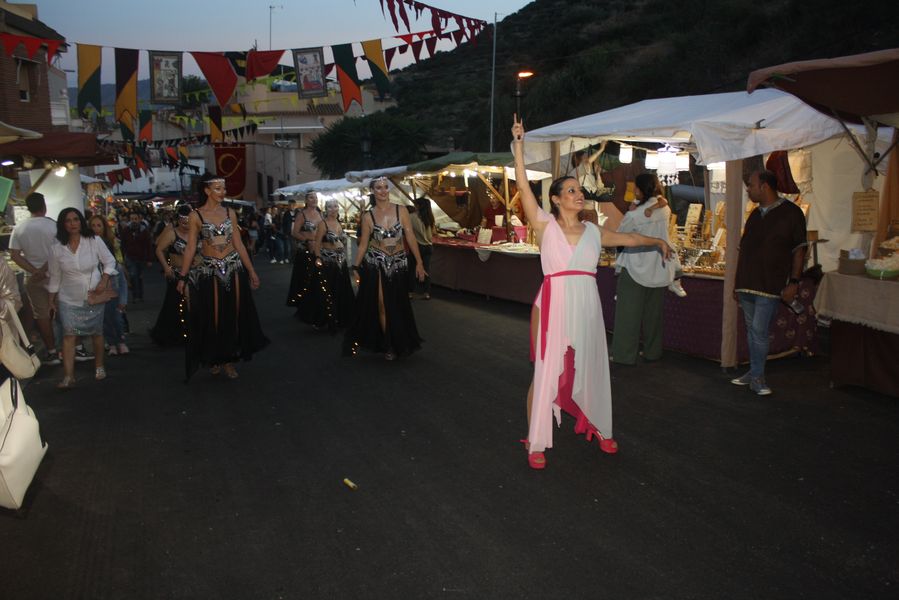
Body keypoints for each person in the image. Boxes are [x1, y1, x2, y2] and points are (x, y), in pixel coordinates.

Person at [511, 115, 673, 469]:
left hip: (586, 303)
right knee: (545, 371)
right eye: (570, 191)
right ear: (556, 199)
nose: (578, 194)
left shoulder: (594, 232)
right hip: (552, 303)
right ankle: (535, 439)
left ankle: (600, 426)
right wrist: (519, 147)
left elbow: (630, 238)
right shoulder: (544, 225)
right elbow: (522, 185)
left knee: (591, 365)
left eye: (578, 190)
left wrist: (657, 241)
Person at [176, 173, 268, 380]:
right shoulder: (196, 216)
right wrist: (182, 277)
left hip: (234, 269)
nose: (223, 192)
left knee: (233, 316)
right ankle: (215, 358)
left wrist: (251, 271)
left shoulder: (229, 212)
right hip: (210, 272)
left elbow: (239, 244)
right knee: (213, 317)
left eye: (224, 188)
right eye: (218, 188)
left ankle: (229, 360)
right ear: (207, 191)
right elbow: (190, 248)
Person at [731, 169, 807, 396]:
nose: (748, 189)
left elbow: (799, 250)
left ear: (764, 186)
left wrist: (794, 281)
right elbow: (744, 250)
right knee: (752, 330)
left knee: (759, 330)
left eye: (751, 185)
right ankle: (754, 372)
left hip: (769, 283)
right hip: (747, 282)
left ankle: (758, 377)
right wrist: (737, 282)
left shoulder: (791, 213)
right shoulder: (755, 214)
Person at [343, 177, 426, 360]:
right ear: (372, 191)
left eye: (385, 187)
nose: (383, 191)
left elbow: (410, 237)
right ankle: (388, 344)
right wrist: (355, 266)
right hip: (376, 264)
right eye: (379, 188)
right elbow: (363, 244)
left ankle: (398, 340)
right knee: (381, 304)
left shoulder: (401, 210)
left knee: (397, 304)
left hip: (398, 263)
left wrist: (419, 262)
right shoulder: (368, 216)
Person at [610, 174, 686, 365]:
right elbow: (661, 201)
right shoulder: (664, 209)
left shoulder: (634, 215)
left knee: (628, 314)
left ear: (640, 189)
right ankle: (653, 351)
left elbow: (620, 236)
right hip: (659, 265)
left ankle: (624, 355)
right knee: (654, 315)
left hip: (635, 266)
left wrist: (632, 211)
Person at [47, 208, 117, 389]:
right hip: (68, 298)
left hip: (94, 294)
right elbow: (55, 276)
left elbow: (110, 261)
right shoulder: (56, 248)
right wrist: (51, 299)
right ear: (63, 224)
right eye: (68, 220)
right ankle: (68, 376)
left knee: (97, 332)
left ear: (81, 221)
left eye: (76, 219)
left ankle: (99, 366)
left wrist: (104, 279)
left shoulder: (93, 240)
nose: (73, 223)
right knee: (69, 335)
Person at [8, 192, 61, 365]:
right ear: (44, 206)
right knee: (64, 311)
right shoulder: (54, 226)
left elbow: (14, 255)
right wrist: (44, 269)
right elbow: (59, 251)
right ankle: (74, 347)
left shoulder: (19, 228)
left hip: (32, 278)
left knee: (41, 315)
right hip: (56, 275)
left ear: (28, 208)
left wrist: (34, 271)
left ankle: (52, 352)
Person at [150, 205, 196, 346]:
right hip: (177, 273)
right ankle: (176, 334)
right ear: (178, 220)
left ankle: (193, 332)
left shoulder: (197, 232)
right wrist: (166, 267)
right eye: (183, 222)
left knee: (194, 302)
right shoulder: (171, 233)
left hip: (195, 273)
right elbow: (159, 249)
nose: (186, 225)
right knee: (175, 304)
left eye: (188, 222)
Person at [89, 215, 129, 355]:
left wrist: (123, 300)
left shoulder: (113, 252)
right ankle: (111, 343)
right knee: (104, 320)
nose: (96, 229)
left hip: (113, 292)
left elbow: (122, 281)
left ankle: (121, 341)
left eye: (99, 225)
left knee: (116, 318)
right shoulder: (89, 252)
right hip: (98, 293)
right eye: (93, 225)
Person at [311, 199, 354, 330]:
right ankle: (325, 319)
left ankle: (342, 318)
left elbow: (341, 241)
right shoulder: (323, 224)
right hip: (328, 262)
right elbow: (317, 243)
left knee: (342, 290)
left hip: (341, 261)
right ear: (326, 209)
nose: (333, 209)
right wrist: (318, 257)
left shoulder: (338, 222)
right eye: (330, 207)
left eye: (335, 206)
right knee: (329, 290)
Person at [286, 192, 323, 313]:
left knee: (317, 279)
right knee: (305, 279)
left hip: (318, 250)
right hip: (305, 251)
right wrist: (307, 241)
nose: (314, 199)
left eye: (316, 197)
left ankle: (316, 305)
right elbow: (294, 232)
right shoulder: (301, 214)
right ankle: (304, 306)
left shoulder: (320, 213)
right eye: (311, 197)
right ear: (306, 200)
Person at [118, 210, 154, 303]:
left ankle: (140, 295)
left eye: (135, 219)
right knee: (134, 275)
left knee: (139, 276)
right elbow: (123, 244)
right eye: (132, 219)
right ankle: (136, 296)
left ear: (139, 219)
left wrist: (149, 259)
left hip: (141, 257)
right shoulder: (126, 230)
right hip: (130, 257)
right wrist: (123, 256)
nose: (134, 220)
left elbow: (148, 245)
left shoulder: (144, 231)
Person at [408, 196, 435, 299]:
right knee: (426, 269)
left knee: (412, 269)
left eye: (416, 205)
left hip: (418, 246)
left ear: (419, 206)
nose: (414, 207)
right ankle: (427, 292)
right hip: (429, 246)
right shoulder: (430, 217)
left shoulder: (412, 217)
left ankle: (410, 292)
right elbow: (433, 233)